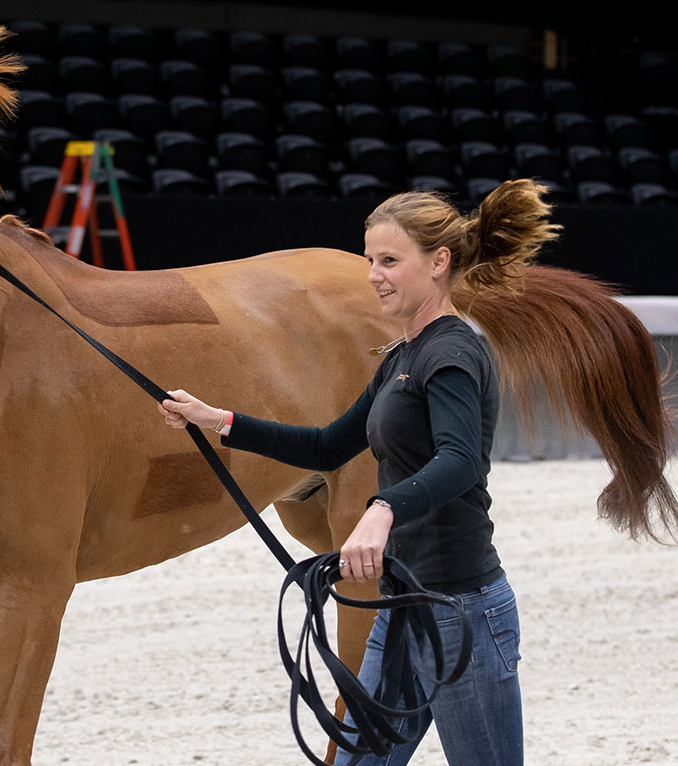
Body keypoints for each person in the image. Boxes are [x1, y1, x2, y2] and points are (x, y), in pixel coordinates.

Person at [158, 179, 565, 765]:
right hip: (400, 608)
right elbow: (328, 446)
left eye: (390, 261)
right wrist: (217, 419)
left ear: (438, 263)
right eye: (371, 259)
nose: (373, 273)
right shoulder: (401, 357)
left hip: (462, 615)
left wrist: (381, 508)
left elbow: (460, 461)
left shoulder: (452, 355)